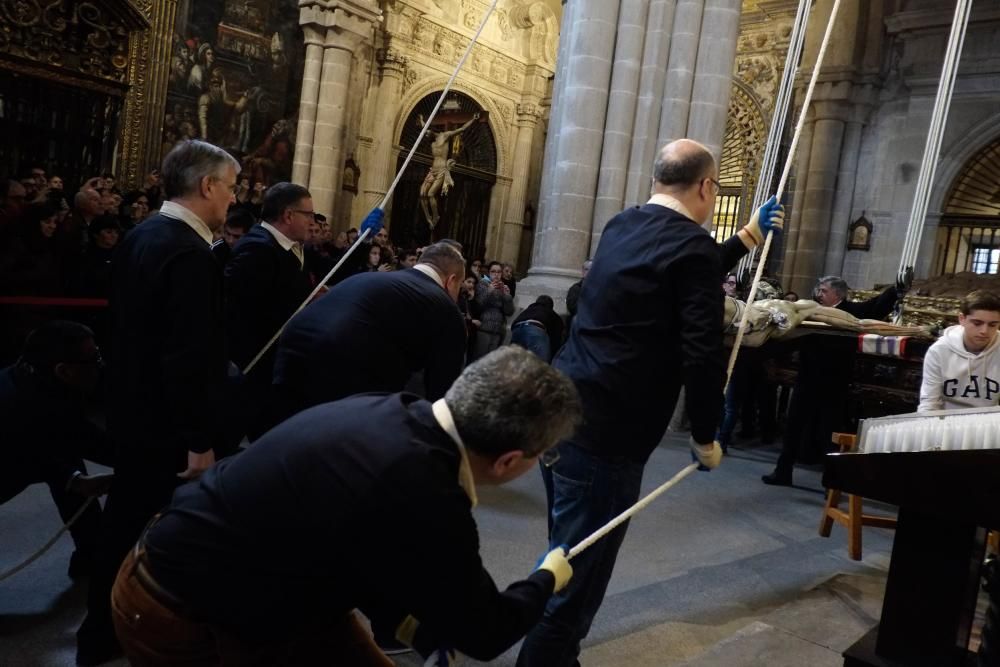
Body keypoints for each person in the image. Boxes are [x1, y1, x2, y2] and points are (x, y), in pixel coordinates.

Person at [109, 347, 579, 665]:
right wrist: (546, 578)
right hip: (183, 611)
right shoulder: (428, 492)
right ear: (509, 461)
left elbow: (358, 543)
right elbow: (486, 633)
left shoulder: (392, 409)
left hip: (221, 568)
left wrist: (411, 623)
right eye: (545, 453)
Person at [516, 138, 784, 667]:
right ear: (707, 187)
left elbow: (685, 264)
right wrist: (707, 435)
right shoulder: (691, 250)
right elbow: (702, 355)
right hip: (606, 435)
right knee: (577, 578)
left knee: (564, 553)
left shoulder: (623, 225)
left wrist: (746, 237)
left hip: (559, 410)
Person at [77, 139, 239, 665]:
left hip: (130, 407)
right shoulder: (188, 254)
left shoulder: (143, 234)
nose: (233, 200)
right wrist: (198, 441)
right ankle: (117, 630)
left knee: (125, 520)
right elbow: (186, 356)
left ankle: (102, 631)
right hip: (166, 423)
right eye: (231, 188)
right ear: (208, 185)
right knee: (144, 527)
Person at [272, 240, 468, 426]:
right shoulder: (446, 309)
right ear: (451, 281)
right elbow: (442, 398)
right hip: (343, 372)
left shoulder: (370, 277)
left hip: (293, 346)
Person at [762, 273, 907, 486]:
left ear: (837, 294)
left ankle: (832, 482)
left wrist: (895, 290)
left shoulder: (851, 311)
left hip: (833, 384)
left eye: (824, 291)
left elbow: (875, 307)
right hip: (807, 379)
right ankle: (783, 472)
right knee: (793, 427)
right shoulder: (811, 310)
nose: (819, 294)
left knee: (829, 433)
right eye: (818, 290)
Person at [0, 321, 114, 579]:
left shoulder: (42, 381)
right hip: (8, 459)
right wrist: (73, 480)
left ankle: (93, 554)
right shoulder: (15, 409)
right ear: (64, 370)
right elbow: (35, 448)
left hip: (20, 452)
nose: (100, 364)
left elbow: (77, 436)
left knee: (69, 461)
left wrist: (140, 459)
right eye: (94, 358)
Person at [224, 183, 315, 439]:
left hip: (278, 366)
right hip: (255, 366)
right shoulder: (257, 248)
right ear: (288, 215)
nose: (313, 221)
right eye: (308, 215)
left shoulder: (292, 247)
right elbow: (240, 311)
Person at [918, 290, 1000, 412]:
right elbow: (929, 403)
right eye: (977, 323)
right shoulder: (939, 351)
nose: (984, 331)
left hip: (987, 425)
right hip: (946, 423)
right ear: (962, 319)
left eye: (992, 325)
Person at [417, 112, 480, 228]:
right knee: (422, 193)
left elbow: (461, 129)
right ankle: (428, 218)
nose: (425, 135)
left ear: (432, 130)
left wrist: (473, 119)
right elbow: (424, 127)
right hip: (433, 170)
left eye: (427, 133)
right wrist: (421, 119)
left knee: (430, 194)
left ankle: (436, 216)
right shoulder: (432, 140)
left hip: (441, 170)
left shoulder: (444, 136)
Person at [471, 261, 514, 361]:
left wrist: (507, 296)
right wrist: (489, 291)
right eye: (493, 271)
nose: (496, 274)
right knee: (479, 360)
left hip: (498, 330)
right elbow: (477, 306)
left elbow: (509, 312)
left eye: (499, 272)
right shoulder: (482, 284)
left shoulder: (503, 287)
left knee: (490, 363)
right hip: (484, 328)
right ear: (488, 273)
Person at [510, 295, 563, 362]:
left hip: (516, 329)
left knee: (513, 363)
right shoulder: (551, 313)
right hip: (535, 330)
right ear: (551, 306)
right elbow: (556, 338)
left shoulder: (528, 310)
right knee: (540, 365)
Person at [565, 259, 592, 333]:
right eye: (587, 269)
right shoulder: (576, 288)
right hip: (577, 327)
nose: (589, 272)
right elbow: (573, 307)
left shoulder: (597, 288)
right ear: (583, 271)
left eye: (592, 270)